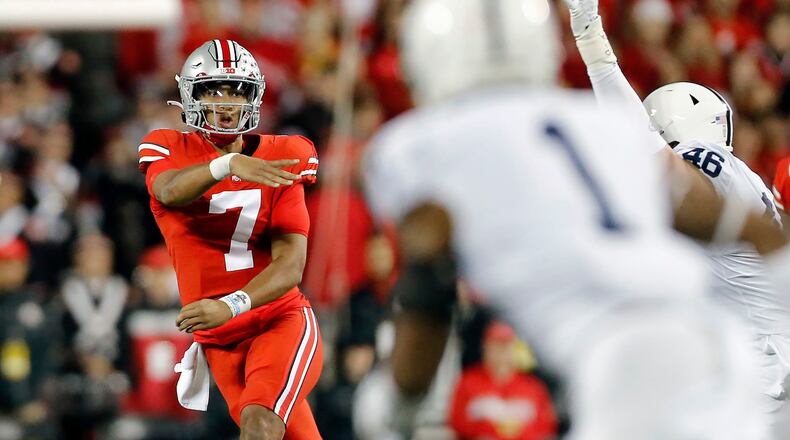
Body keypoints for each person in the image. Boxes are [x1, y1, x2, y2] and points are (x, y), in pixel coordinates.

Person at [358, 0, 790, 439]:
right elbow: (730, 222)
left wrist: (398, 399)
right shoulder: (600, 128)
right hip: (716, 346)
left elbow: (429, 289)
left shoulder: (417, 147)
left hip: (635, 362)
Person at [563, 0, 790, 424]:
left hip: (758, 373)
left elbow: (659, 164)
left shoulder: (704, 160)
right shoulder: (748, 181)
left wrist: (593, 43)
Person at [137, 40, 323, 440]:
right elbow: (168, 191)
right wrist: (225, 165)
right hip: (220, 339)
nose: (227, 102)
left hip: (277, 319)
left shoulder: (285, 154)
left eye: (237, 91)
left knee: (259, 426)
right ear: (191, 94)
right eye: (215, 90)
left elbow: (290, 265)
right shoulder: (168, 146)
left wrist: (231, 304)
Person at [449, 322, 557, 440]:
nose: (501, 353)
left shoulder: (533, 386)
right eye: (496, 346)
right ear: (485, 349)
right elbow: (456, 422)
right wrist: (488, 428)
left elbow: (547, 426)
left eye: (506, 347)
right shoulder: (468, 382)